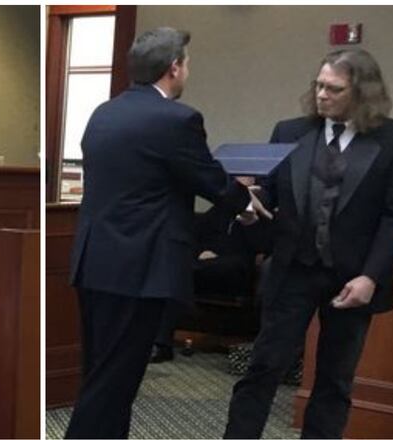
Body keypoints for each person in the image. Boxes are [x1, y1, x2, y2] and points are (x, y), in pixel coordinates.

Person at [65, 27, 267, 439]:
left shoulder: (104, 112)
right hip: (138, 270)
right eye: (187, 63)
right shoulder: (177, 119)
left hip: (95, 263)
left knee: (103, 374)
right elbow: (207, 178)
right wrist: (245, 204)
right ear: (174, 68)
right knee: (113, 384)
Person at [224, 49, 393, 439]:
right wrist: (249, 207)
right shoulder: (290, 131)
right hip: (291, 271)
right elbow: (271, 192)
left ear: (362, 93)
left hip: (352, 279)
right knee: (263, 368)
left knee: (334, 380)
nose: (322, 95)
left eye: (334, 88)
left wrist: (371, 277)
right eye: (319, 85)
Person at [150, 200, 260, 363]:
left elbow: (259, 246)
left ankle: (161, 343)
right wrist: (201, 252)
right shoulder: (220, 209)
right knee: (174, 271)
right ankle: (158, 341)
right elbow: (195, 234)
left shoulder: (261, 206)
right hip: (201, 265)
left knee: (182, 272)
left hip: (236, 268)